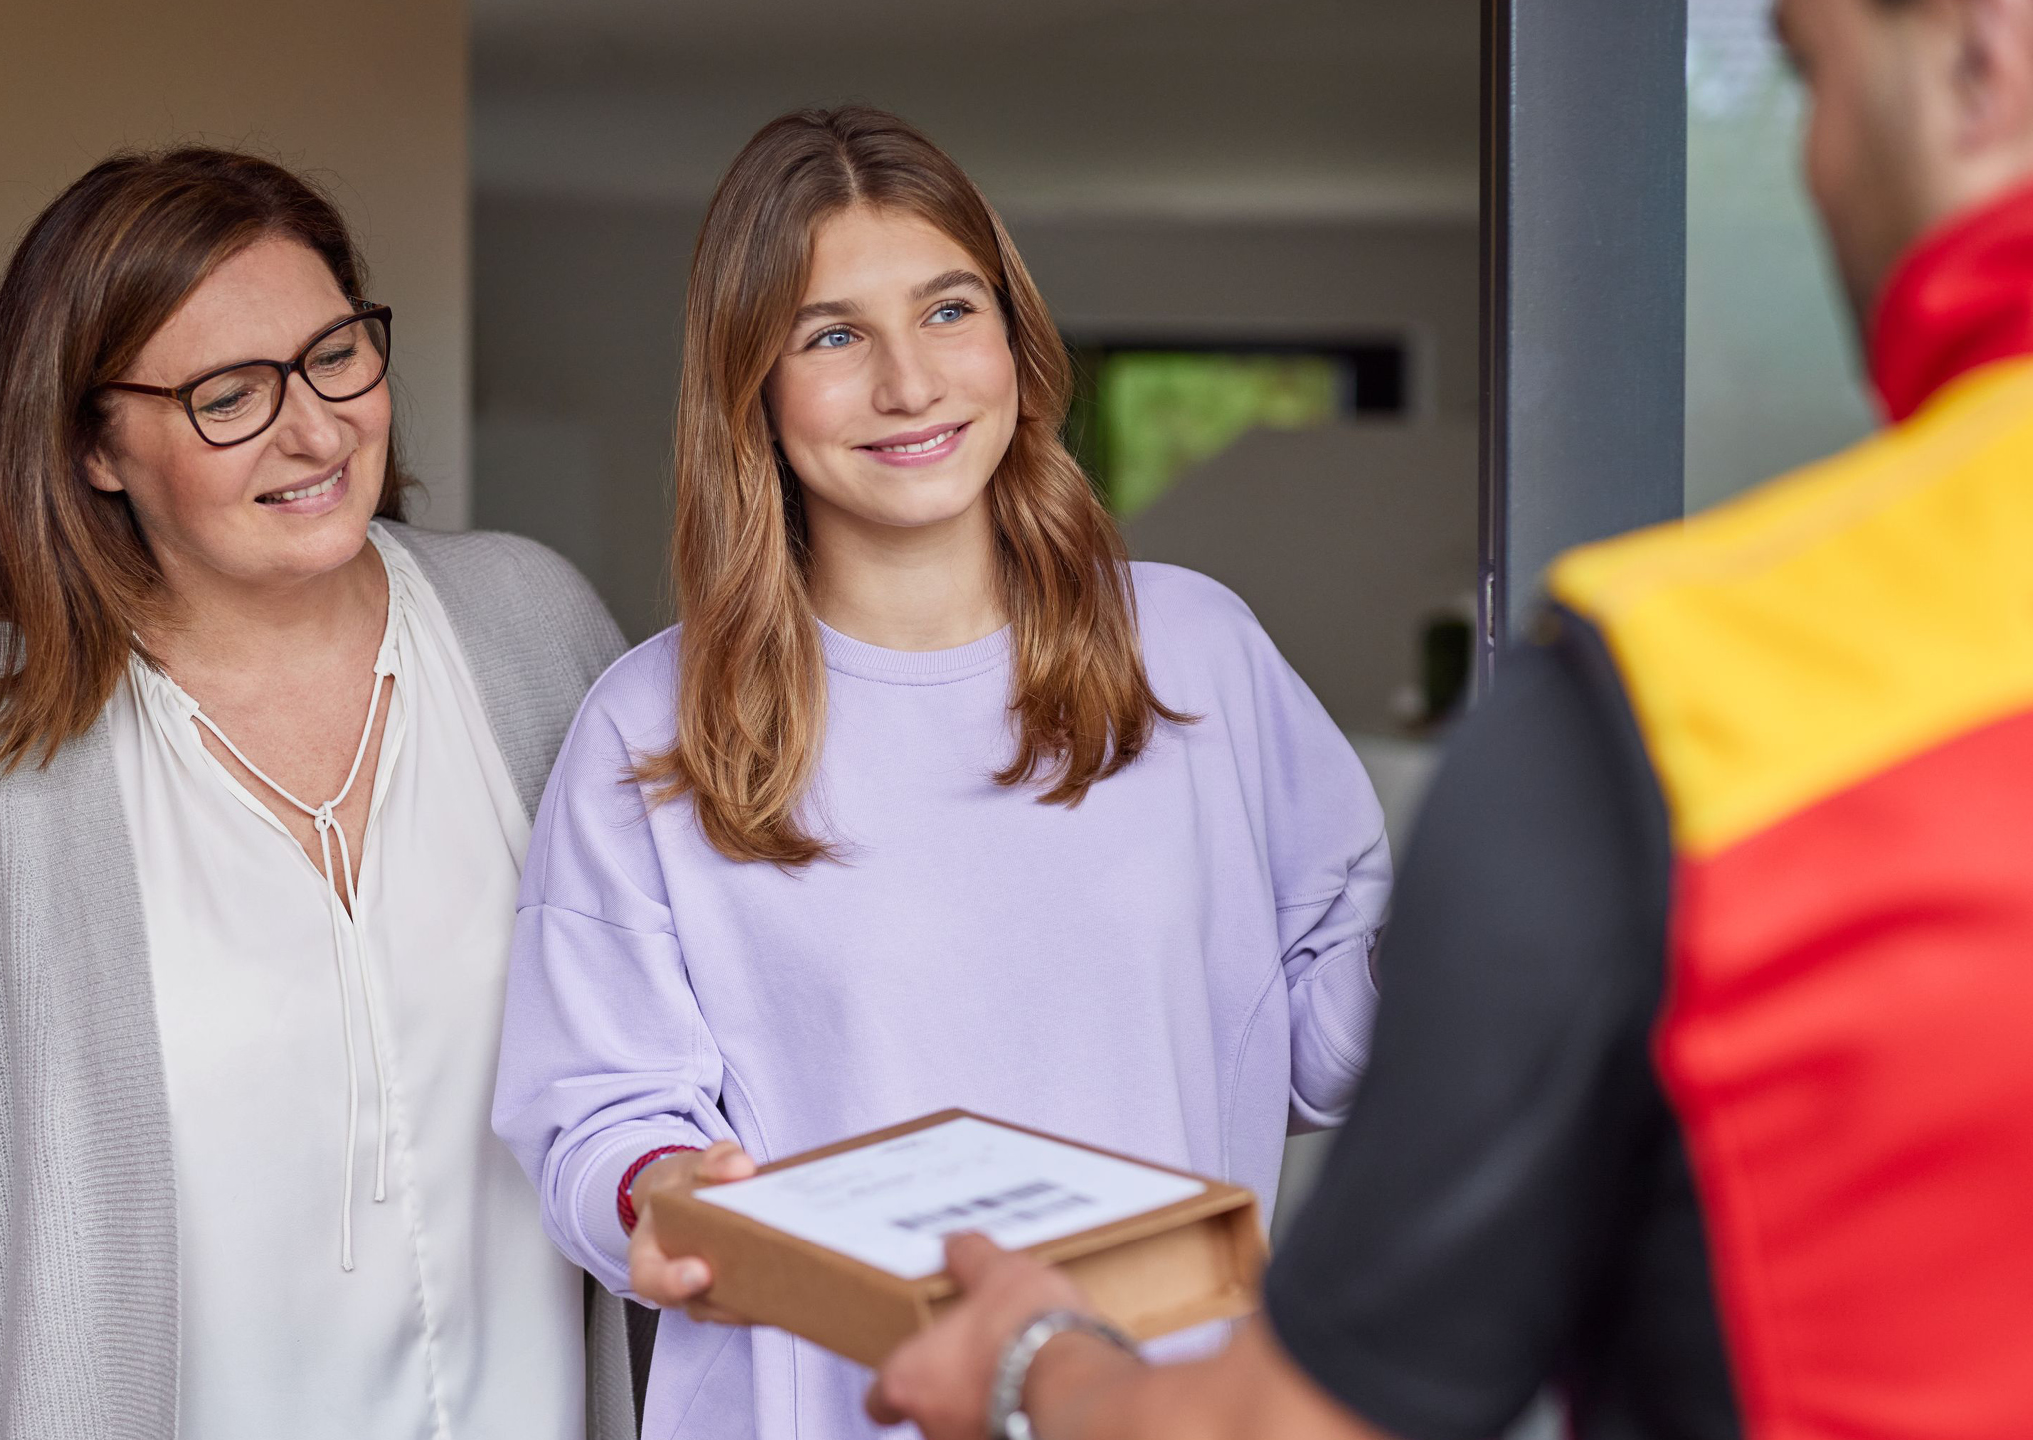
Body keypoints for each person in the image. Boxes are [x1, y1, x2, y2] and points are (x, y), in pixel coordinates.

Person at [863, 0, 2033, 1436]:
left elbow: (1296, 1424)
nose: (1812, 155)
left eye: (1807, 69)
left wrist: (1028, 1358)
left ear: (1988, 62)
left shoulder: (1669, 709)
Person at [0, 148, 637, 1440]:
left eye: (336, 356)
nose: (314, 429)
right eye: (229, 395)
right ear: (97, 446)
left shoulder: (536, 633)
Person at [491, 107, 1391, 1440]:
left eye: (949, 310)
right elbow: (597, 1111)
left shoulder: (1195, 652)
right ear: (754, 386)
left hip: (1159, 1409)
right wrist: (664, 1188)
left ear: (1016, 342)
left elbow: (1321, 1039)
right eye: (833, 335)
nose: (911, 384)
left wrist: (1486, 952)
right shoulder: (655, 725)